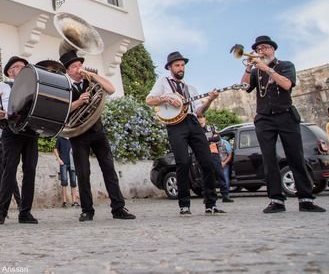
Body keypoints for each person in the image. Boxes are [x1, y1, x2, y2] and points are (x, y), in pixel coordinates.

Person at [241, 35, 325, 213]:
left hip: (285, 115)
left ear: (273, 49)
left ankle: (306, 199)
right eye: (258, 49)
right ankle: (276, 200)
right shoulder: (256, 72)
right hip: (264, 118)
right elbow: (244, 87)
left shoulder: (286, 65)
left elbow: (287, 85)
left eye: (264, 47)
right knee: (269, 159)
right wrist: (248, 68)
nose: (261, 51)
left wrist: (267, 69)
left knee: (295, 157)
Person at [147, 51, 224, 215]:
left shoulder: (191, 88)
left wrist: (210, 100)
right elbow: (149, 100)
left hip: (193, 122)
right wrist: (166, 99)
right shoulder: (163, 82)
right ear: (170, 67)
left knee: (207, 161)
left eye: (182, 65)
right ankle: (184, 205)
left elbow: (199, 111)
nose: (181, 68)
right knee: (182, 162)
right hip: (175, 125)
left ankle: (210, 203)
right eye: (177, 65)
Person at [62, 50, 136, 222]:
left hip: (97, 130)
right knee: (83, 173)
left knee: (109, 169)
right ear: (68, 71)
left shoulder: (90, 81)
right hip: (78, 134)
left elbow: (111, 89)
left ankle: (118, 208)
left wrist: (94, 76)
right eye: (74, 66)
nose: (79, 69)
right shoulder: (64, 87)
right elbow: (61, 110)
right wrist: (78, 102)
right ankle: (87, 210)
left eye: (80, 65)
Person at [0, 56, 39, 225]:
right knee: (9, 169)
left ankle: (25, 212)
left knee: (30, 170)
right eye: (17, 66)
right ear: (10, 72)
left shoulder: (34, 86)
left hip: (30, 131)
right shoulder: (1, 86)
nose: (21, 68)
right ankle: (1, 211)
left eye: (24, 66)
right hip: (11, 131)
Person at [199, 118, 232, 203]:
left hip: (214, 153)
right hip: (203, 154)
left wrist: (207, 139)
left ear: (204, 118)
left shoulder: (211, 128)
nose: (200, 120)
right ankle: (207, 197)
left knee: (220, 174)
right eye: (198, 118)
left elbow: (217, 138)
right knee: (205, 176)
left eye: (201, 117)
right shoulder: (196, 129)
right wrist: (209, 139)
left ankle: (225, 195)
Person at [0, 125, 21, 208]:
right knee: (1, 183)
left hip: (8, 162)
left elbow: (10, 148)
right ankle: (2, 205)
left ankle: (19, 203)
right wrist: (5, 147)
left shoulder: (5, 138)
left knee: (13, 182)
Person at [54, 135, 79, 207]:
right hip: (63, 163)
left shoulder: (73, 138)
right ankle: (64, 202)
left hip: (73, 164)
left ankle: (74, 201)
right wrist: (59, 159)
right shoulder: (60, 138)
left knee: (73, 182)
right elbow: (55, 149)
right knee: (64, 182)